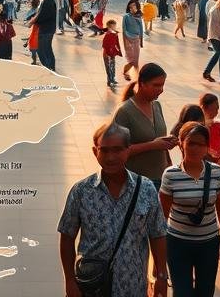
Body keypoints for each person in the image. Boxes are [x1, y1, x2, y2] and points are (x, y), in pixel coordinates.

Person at [59, 122, 169, 297]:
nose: (110, 157)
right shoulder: (81, 191)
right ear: (96, 152)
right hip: (92, 287)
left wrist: (162, 276)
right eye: (104, 150)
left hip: (133, 286)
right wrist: (70, 281)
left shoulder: (146, 189)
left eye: (117, 150)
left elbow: (158, 234)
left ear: (128, 150)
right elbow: (66, 237)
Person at [159, 122, 220, 297]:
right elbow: (162, 216)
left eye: (201, 144)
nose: (195, 148)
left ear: (207, 147)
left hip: (208, 243)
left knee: (205, 292)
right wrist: (158, 256)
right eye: (191, 143)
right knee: (182, 292)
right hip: (177, 243)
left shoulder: (217, 173)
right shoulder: (170, 175)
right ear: (181, 143)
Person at [113, 63, 175, 189]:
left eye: (162, 85)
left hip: (160, 179)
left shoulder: (157, 106)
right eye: (156, 85)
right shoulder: (125, 111)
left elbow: (159, 140)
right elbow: (117, 151)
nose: (161, 90)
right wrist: (152, 145)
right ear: (142, 84)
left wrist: (167, 145)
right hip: (136, 182)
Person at [33, 0, 58, 71]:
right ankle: (50, 66)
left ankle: (48, 67)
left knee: (42, 49)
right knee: (46, 48)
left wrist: (34, 20)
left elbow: (45, 15)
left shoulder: (48, 1)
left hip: (46, 28)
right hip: (47, 28)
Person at [199, 93, 220, 163]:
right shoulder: (198, 128)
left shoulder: (218, 126)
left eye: (217, 108)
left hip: (216, 163)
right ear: (203, 108)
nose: (217, 111)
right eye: (214, 108)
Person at [121, 0, 144, 82]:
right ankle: (125, 72)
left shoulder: (139, 17)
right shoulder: (126, 17)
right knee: (131, 61)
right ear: (129, 7)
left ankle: (138, 79)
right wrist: (126, 42)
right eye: (131, 6)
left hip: (136, 40)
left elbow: (141, 29)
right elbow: (124, 30)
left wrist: (141, 41)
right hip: (128, 40)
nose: (133, 7)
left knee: (136, 61)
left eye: (134, 5)